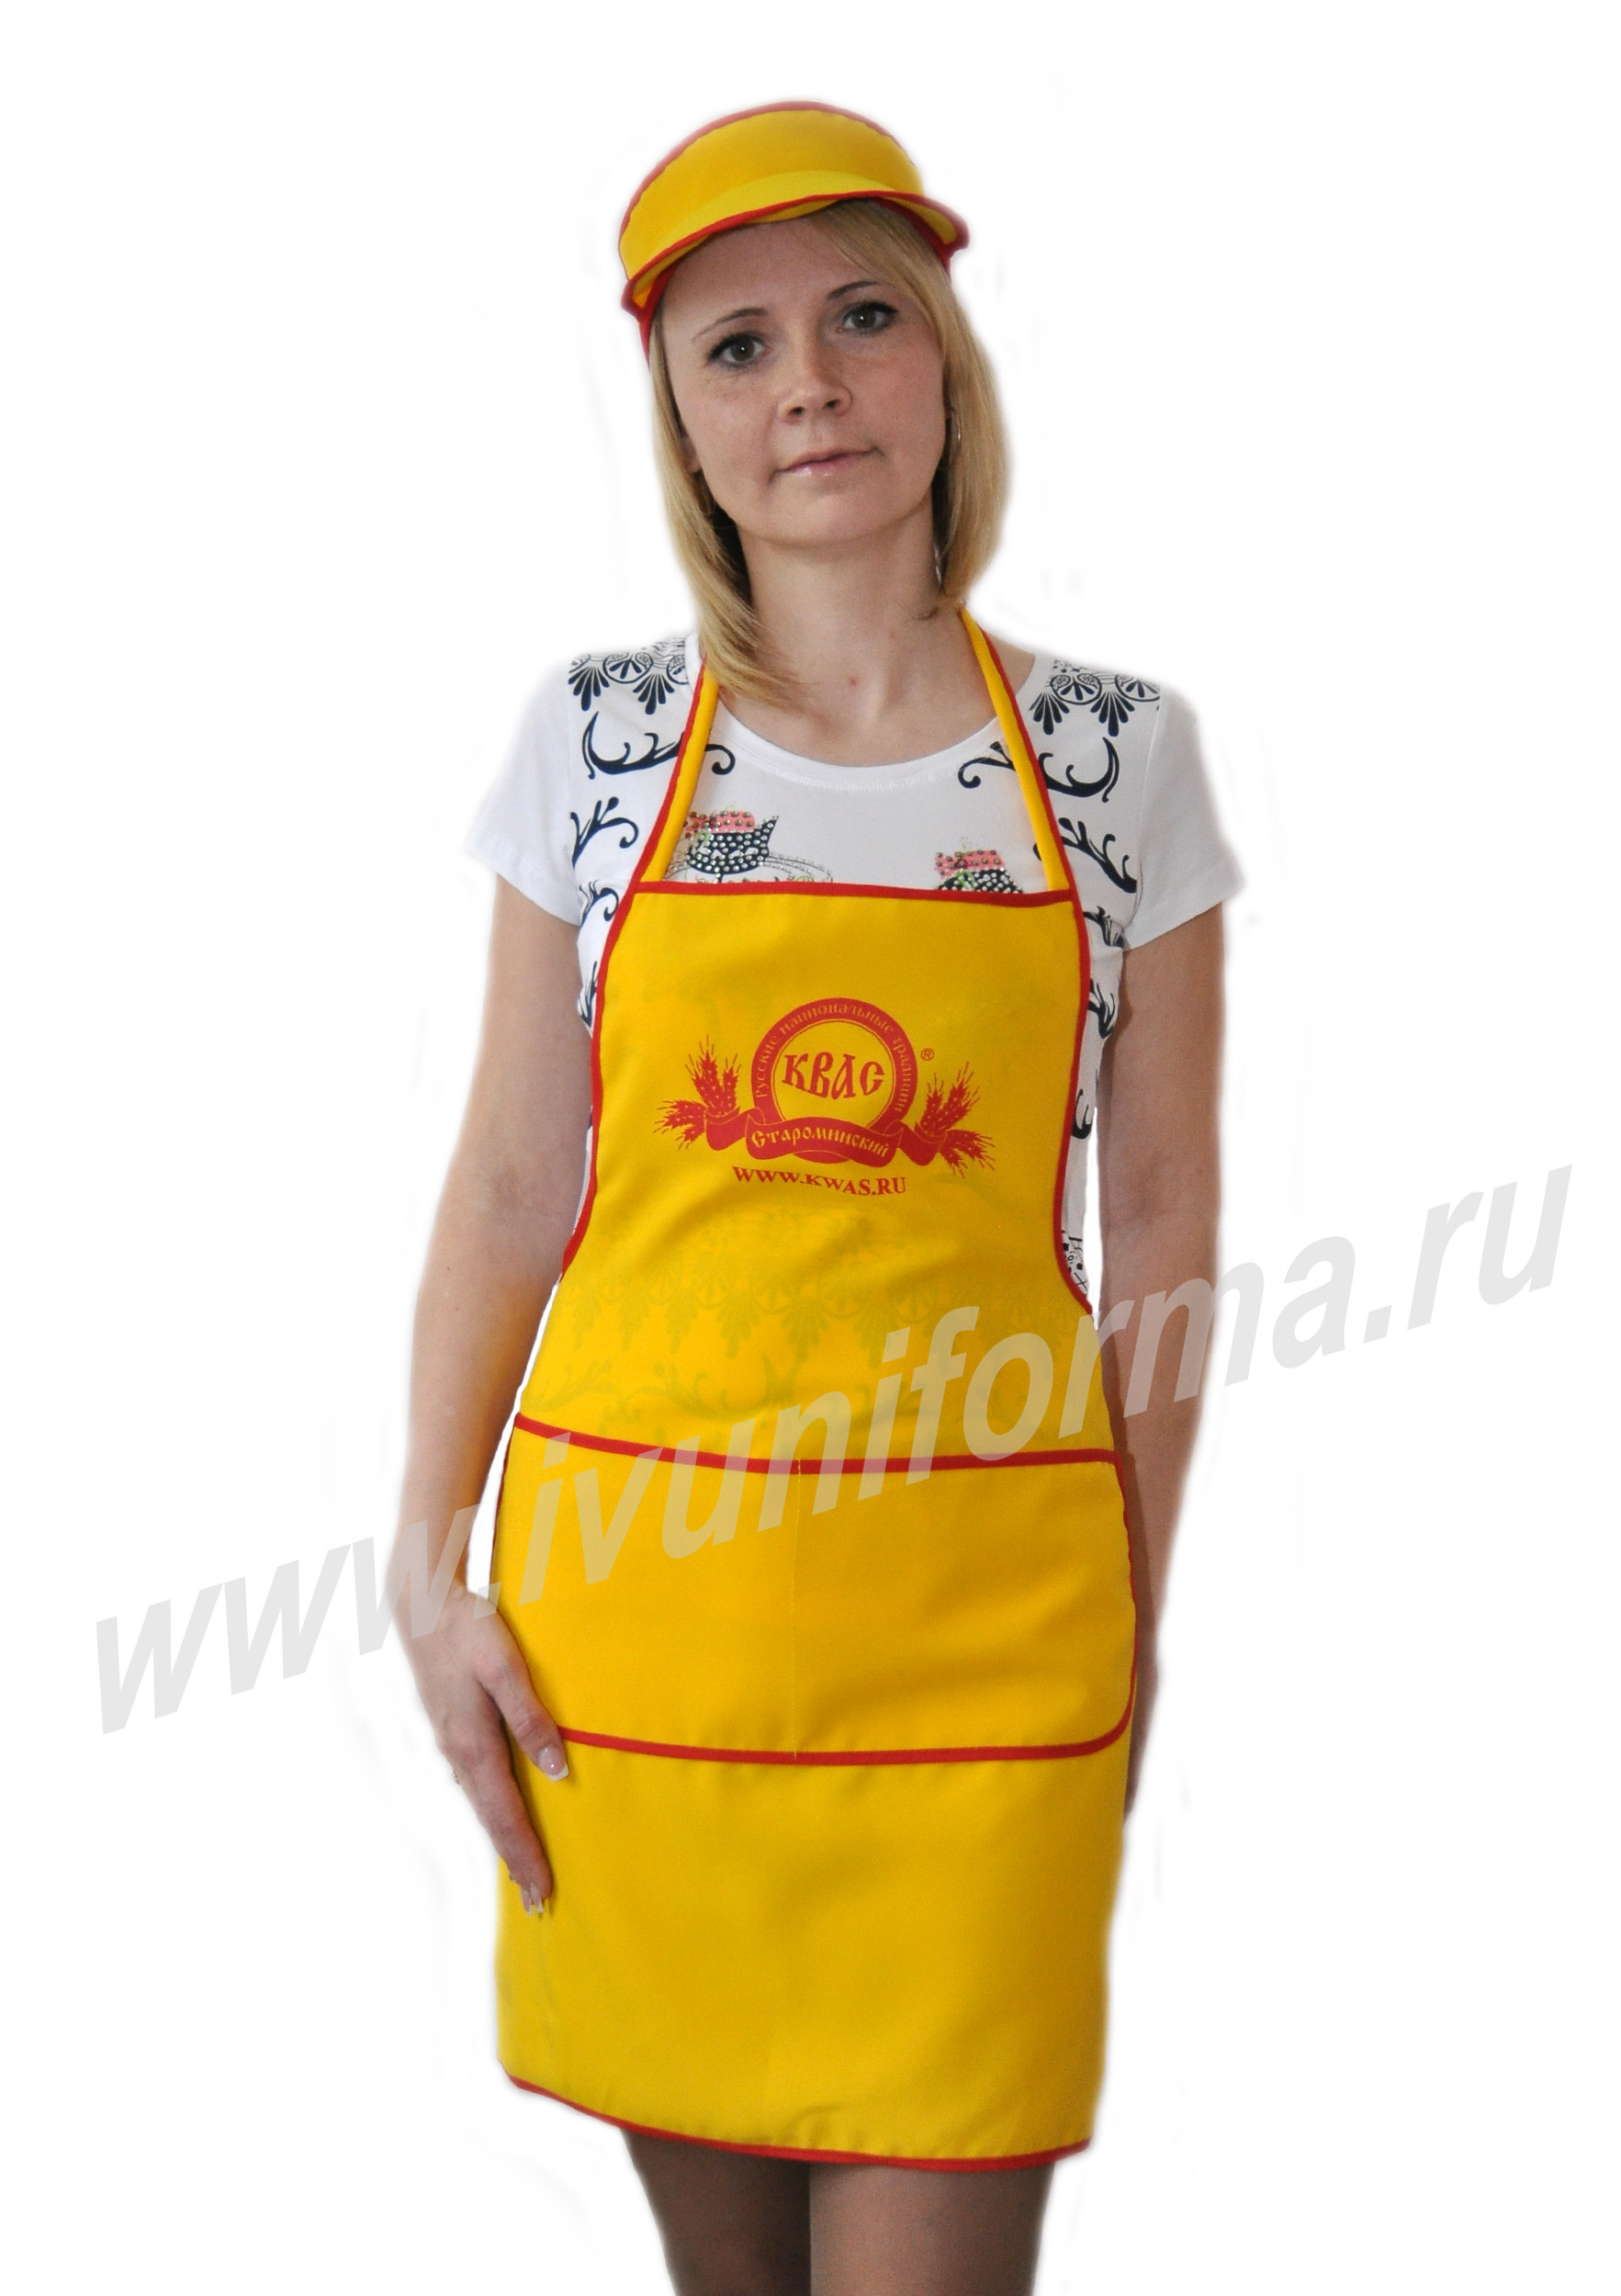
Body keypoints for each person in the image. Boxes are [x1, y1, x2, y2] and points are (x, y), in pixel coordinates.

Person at [395, 101, 1241, 2296]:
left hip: (985, 1638)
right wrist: (425, 1557)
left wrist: (1133, 1603)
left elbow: (1160, 1218)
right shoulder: (596, 742)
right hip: (641, 1645)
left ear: (944, 354)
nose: (809, 388)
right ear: (677, 420)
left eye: (862, 317)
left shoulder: (1112, 760)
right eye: (738, 347)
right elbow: (512, 1177)